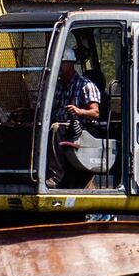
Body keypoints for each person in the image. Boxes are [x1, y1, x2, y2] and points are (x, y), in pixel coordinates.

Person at [46, 56, 101, 188]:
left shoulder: (86, 85)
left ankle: (55, 175)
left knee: (56, 128)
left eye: (61, 63)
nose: (58, 67)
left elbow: (95, 113)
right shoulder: (56, 86)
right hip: (63, 127)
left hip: (80, 130)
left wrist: (79, 111)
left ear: (70, 64)